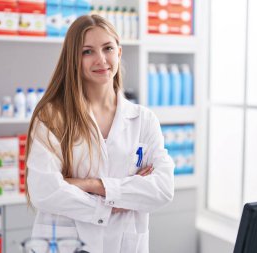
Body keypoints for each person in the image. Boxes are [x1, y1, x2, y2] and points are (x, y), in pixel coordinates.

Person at [25, 14, 175, 253]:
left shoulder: (143, 120)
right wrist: (112, 203)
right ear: (73, 59)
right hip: (66, 243)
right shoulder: (52, 116)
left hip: (126, 243)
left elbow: (162, 189)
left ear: (119, 52)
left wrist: (89, 185)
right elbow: (44, 190)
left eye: (108, 48)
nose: (101, 59)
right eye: (87, 52)